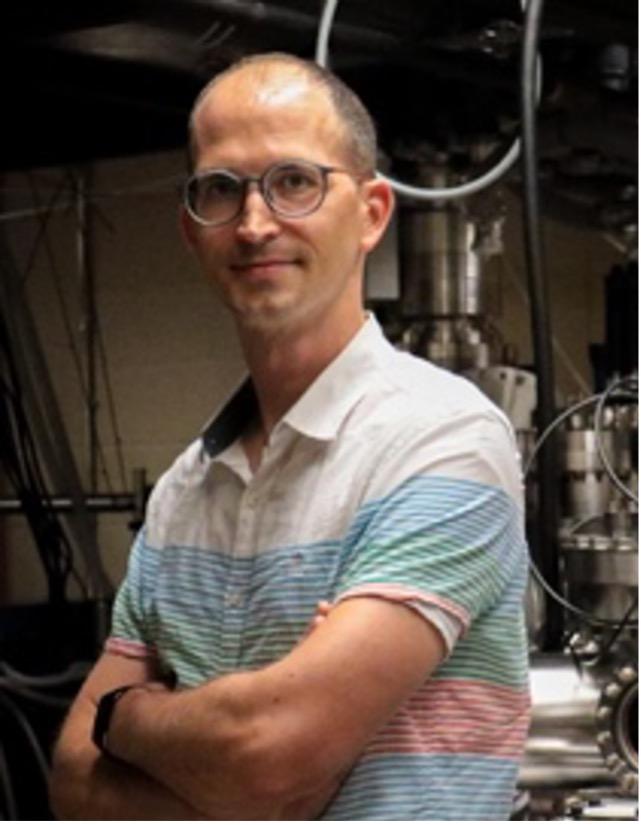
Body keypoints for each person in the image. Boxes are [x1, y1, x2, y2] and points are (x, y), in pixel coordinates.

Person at [49, 52, 531, 821]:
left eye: (294, 182)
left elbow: (271, 754)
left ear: (372, 212)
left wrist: (129, 718)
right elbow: (75, 786)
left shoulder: (441, 439)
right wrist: (238, 760)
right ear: (189, 229)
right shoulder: (183, 493)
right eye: (220, 189)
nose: (253, 223)